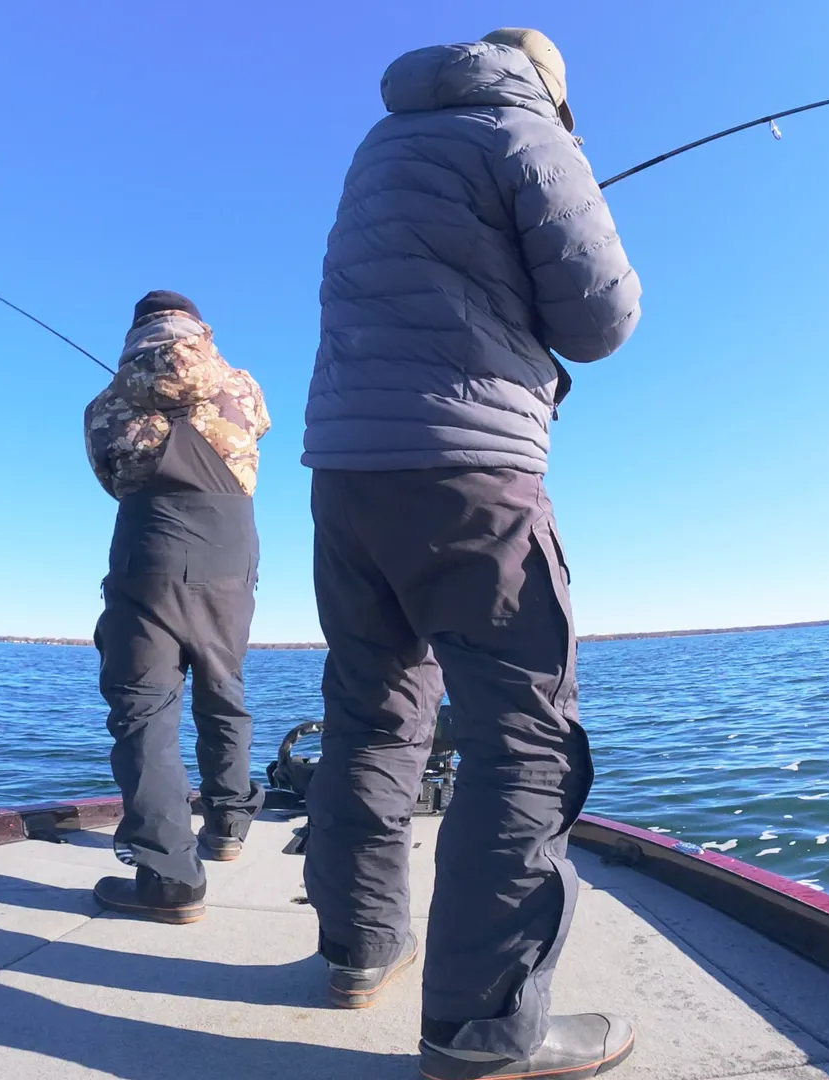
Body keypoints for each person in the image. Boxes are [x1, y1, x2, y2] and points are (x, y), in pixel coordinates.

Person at [301, 27, 642, 1080]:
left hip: (343, 480)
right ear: (549, 86)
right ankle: (482, 1036)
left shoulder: (381, 142)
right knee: (524, 741)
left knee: (370, 717)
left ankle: (361, 949)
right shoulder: (527, 130)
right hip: (469, 475)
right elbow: (602, 319)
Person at [85, 290, 270, 923]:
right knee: (224, 688)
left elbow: (109, 480)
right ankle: (227, 826)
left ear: (135, 332)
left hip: (149, 553)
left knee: (144, 712)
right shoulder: (242, 387)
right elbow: (261, 430)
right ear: (201, 329)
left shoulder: (107, 404)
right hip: (229, 554)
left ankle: (168, 879)